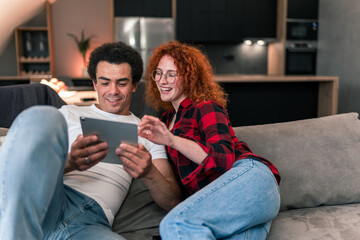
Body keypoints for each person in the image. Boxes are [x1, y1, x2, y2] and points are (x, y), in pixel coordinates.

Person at [0, 42, 181, 240]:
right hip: (50, 198)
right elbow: (25, 166)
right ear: (95, 83)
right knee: (42, 116)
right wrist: (69, 163)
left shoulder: (148, 133)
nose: (113, 91)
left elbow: (172, 200)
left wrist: (149, 172)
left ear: (134, 85)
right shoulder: (69, 113)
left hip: (92, 222)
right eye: (104, 83)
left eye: (121, 83)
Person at [135, 41, 281, 239]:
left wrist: (172, 140)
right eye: (158, 73)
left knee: (176, 224)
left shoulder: (205, 107)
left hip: (252, 180)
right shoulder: (165, 121)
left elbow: (223, 159)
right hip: (231, 204)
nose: (162, 80)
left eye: (171, 74)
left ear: (189, 78)